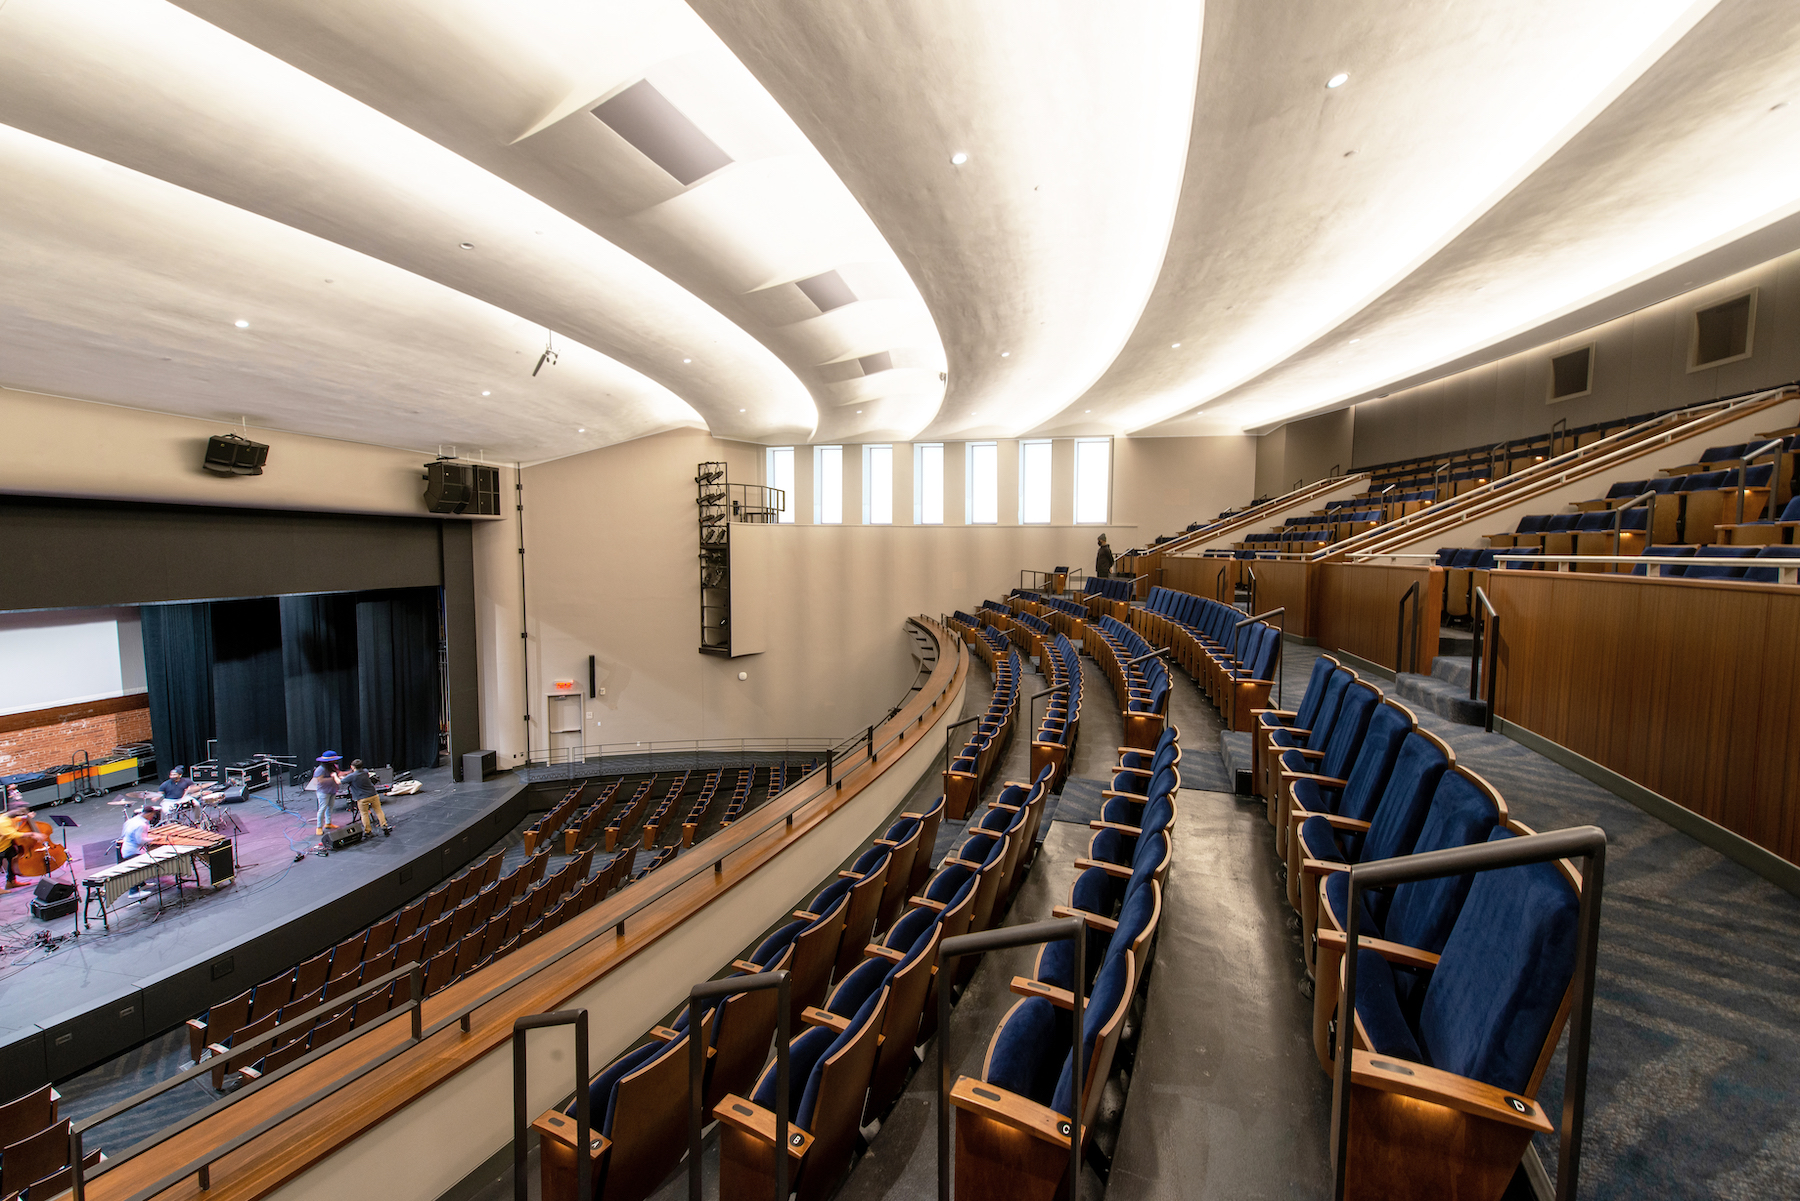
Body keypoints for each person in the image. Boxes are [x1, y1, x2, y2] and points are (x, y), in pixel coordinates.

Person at [342, 759, 391, 837]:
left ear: (352, 767)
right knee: (378, 811)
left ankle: (368, 831)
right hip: (373, 794)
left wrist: (334, 776)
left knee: (364, 814)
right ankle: (384, 826)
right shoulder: (365, 771)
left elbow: (340, 781)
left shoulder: (351, 776)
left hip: (362, 798)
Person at [1, 799, 41, 889]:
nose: (21, 814)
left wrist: (25, 817)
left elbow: (16, 819)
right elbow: (13, 835)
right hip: (0, 848)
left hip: (7, 846)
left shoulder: (10, 816)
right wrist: (32, 834)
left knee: (13, 861)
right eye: (20, 812)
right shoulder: (3, 822)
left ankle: (11, 882)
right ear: (13, 810)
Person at [308, 752, 344, 839]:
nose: (336, 761)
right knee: (322, 809)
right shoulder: (320, 769)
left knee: (330, 807)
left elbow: (339, 773)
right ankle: (319, 827)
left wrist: (350, 772)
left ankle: (328, 823)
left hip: (332, 790)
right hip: (323, 792)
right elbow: (320, 780)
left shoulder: (334, 767)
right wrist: (333, 777)